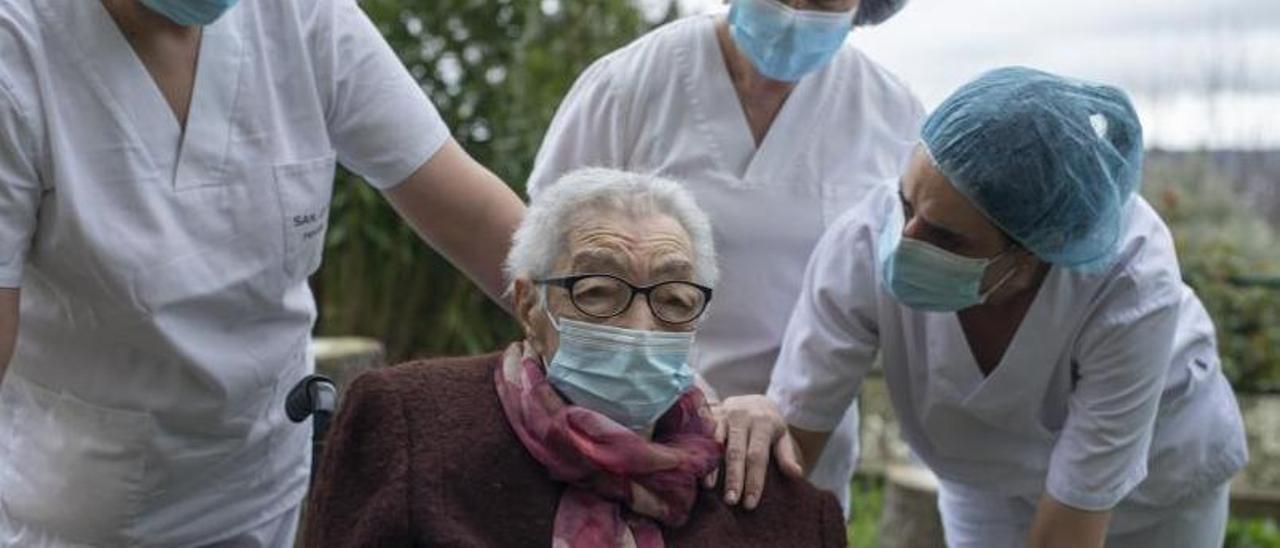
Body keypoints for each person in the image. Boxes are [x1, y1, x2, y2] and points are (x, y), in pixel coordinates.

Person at [0, 0, 524, 545]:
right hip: (83, 512)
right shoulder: (19, 45)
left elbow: (474, 218)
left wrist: (585, 321)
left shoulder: (303, 17)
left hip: (267, 485)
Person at [721, 67, 1249, 547]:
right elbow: (794, 449)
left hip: (1156, 488)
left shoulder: (1129, 283)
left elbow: (1069, 529)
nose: (905, 241)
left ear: (1035, 251)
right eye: (906, 204)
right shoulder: (863, 241)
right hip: (983, 475)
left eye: (947, 239)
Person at [304, 169, 847, 548]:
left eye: (674, 299)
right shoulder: (411, 426)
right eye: (598, 291)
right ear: (528, 306)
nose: (639, 327)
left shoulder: (775, 503)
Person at [527, 0, 921, 513]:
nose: (796, 9)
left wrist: (787, 415)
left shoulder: (893, 114)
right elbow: (543, 263)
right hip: (628, 436)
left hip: (803, 450)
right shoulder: (629, 84)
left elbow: (889, 289)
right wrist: (690, 405)